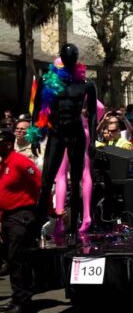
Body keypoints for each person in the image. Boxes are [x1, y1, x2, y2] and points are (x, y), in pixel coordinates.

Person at [29, 44, 97, 237]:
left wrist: (93, 140)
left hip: (76, 132)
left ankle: (73, 229)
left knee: (76, 182)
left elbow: (93, 114)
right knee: (46, 180)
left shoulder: (86, 84)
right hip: (56, 132)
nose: (69, 59)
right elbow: (37, 109)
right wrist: (35, 136)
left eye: (72, 56)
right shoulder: (47, 80)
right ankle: (36, 228)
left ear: (76, 59)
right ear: (61, 58)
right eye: (66, 56)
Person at [0, 128, 42, 313]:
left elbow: (39, 183)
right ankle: (18, 296)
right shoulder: (4, 164)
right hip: (8, 217)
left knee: (18, 258)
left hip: (22, 215)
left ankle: (22, 300)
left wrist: (44, 210)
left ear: (8, 144)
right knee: (12, 258)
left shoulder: (20, 161)